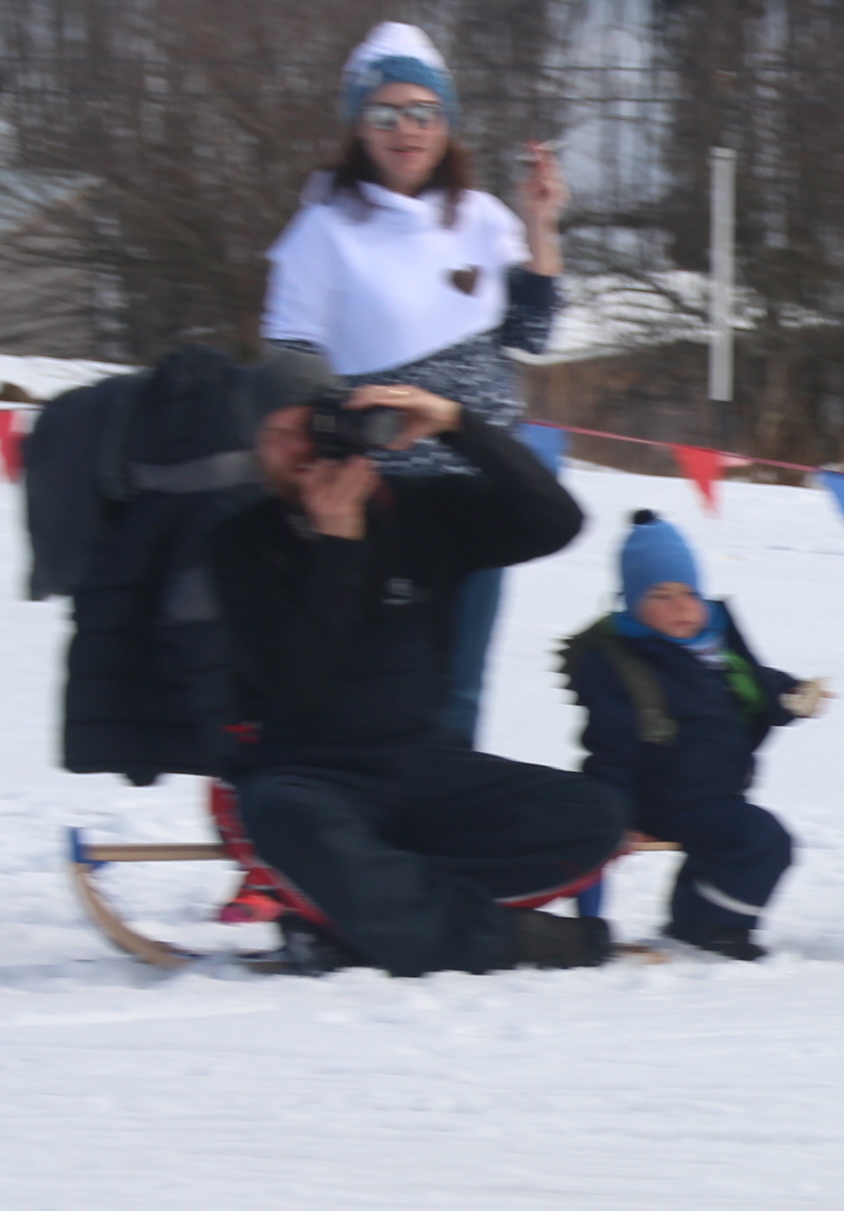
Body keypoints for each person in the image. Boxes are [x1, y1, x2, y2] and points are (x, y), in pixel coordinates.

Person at [210, 348, 623, 975]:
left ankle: (361, 921)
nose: (299, 448)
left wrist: (456, 424)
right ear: (257, 449)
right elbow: (300, 683)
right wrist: (337, 548)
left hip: (423, 766)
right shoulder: (240, 541)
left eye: (310, 426)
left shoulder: (425, 510)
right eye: (277, 435)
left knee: (593, 814)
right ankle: (496, 938)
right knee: (286, 820)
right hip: (306, 776)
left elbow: (556, 520)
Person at [263, 23, 568, 746]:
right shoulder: (322, 231)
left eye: (423, 112)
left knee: (462, 680)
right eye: (386, 113)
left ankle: (448, 797)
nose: (407, 130)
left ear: (446, 122)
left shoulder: (482, 217)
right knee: (390, 678)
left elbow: (531, 334)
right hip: (386, 498)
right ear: (358, 125)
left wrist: (541, 227)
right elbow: (288, 361)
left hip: (482, 487)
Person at [563, 511, 828, 960]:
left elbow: (752, 686)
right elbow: (611, 749)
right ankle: (720, 927)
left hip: (713, 793)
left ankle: (691, 921)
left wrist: (790, 695)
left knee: (728, 846)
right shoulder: (622, 665)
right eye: (661, 596)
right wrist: (614, 816)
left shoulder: (714, 648)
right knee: (763, 840)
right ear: (632, 604)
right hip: (661, 799)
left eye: (689, 593)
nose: (681, 606)